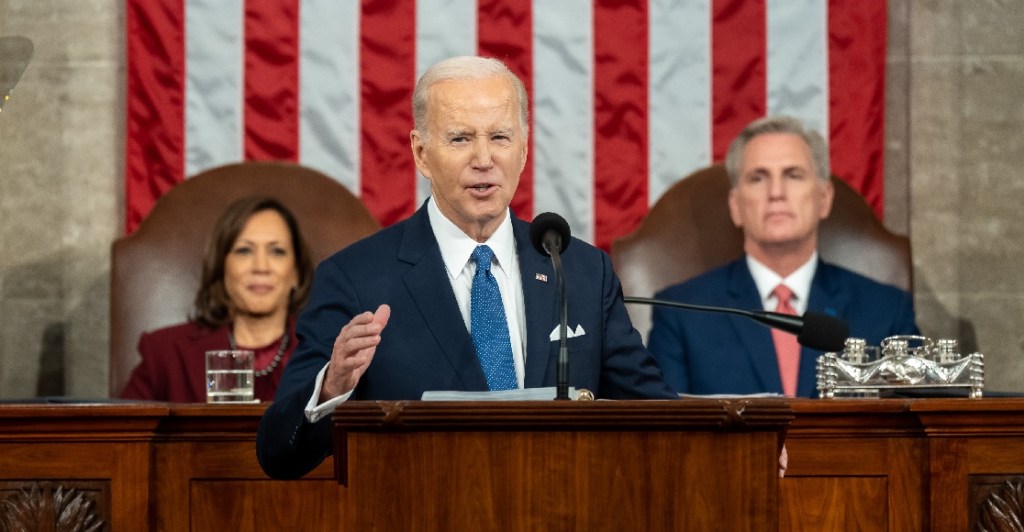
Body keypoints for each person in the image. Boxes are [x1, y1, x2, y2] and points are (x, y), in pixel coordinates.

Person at [256, 56, 676, 480]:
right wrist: (333, 387)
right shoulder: (356, 280)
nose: (484, 159)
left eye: (499, 137)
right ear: (422, 153)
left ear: (524, 148)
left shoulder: (581, 270)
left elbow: (661, 419)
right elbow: (279, 455)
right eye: (460, 139)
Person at [647, 115, 919, 398]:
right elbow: (666, 435)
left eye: (793, 175)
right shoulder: (681, 312)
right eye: (758, 178)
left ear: (824, 198)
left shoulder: (886, 311)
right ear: (735, 206)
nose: (776, 193)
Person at [120, 196, 314, 402]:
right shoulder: (166, 353)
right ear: (221, 267)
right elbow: (123, 430)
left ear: (296, 272)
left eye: (277, 251)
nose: (261, 267)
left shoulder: (325, 354)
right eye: (244, 250)